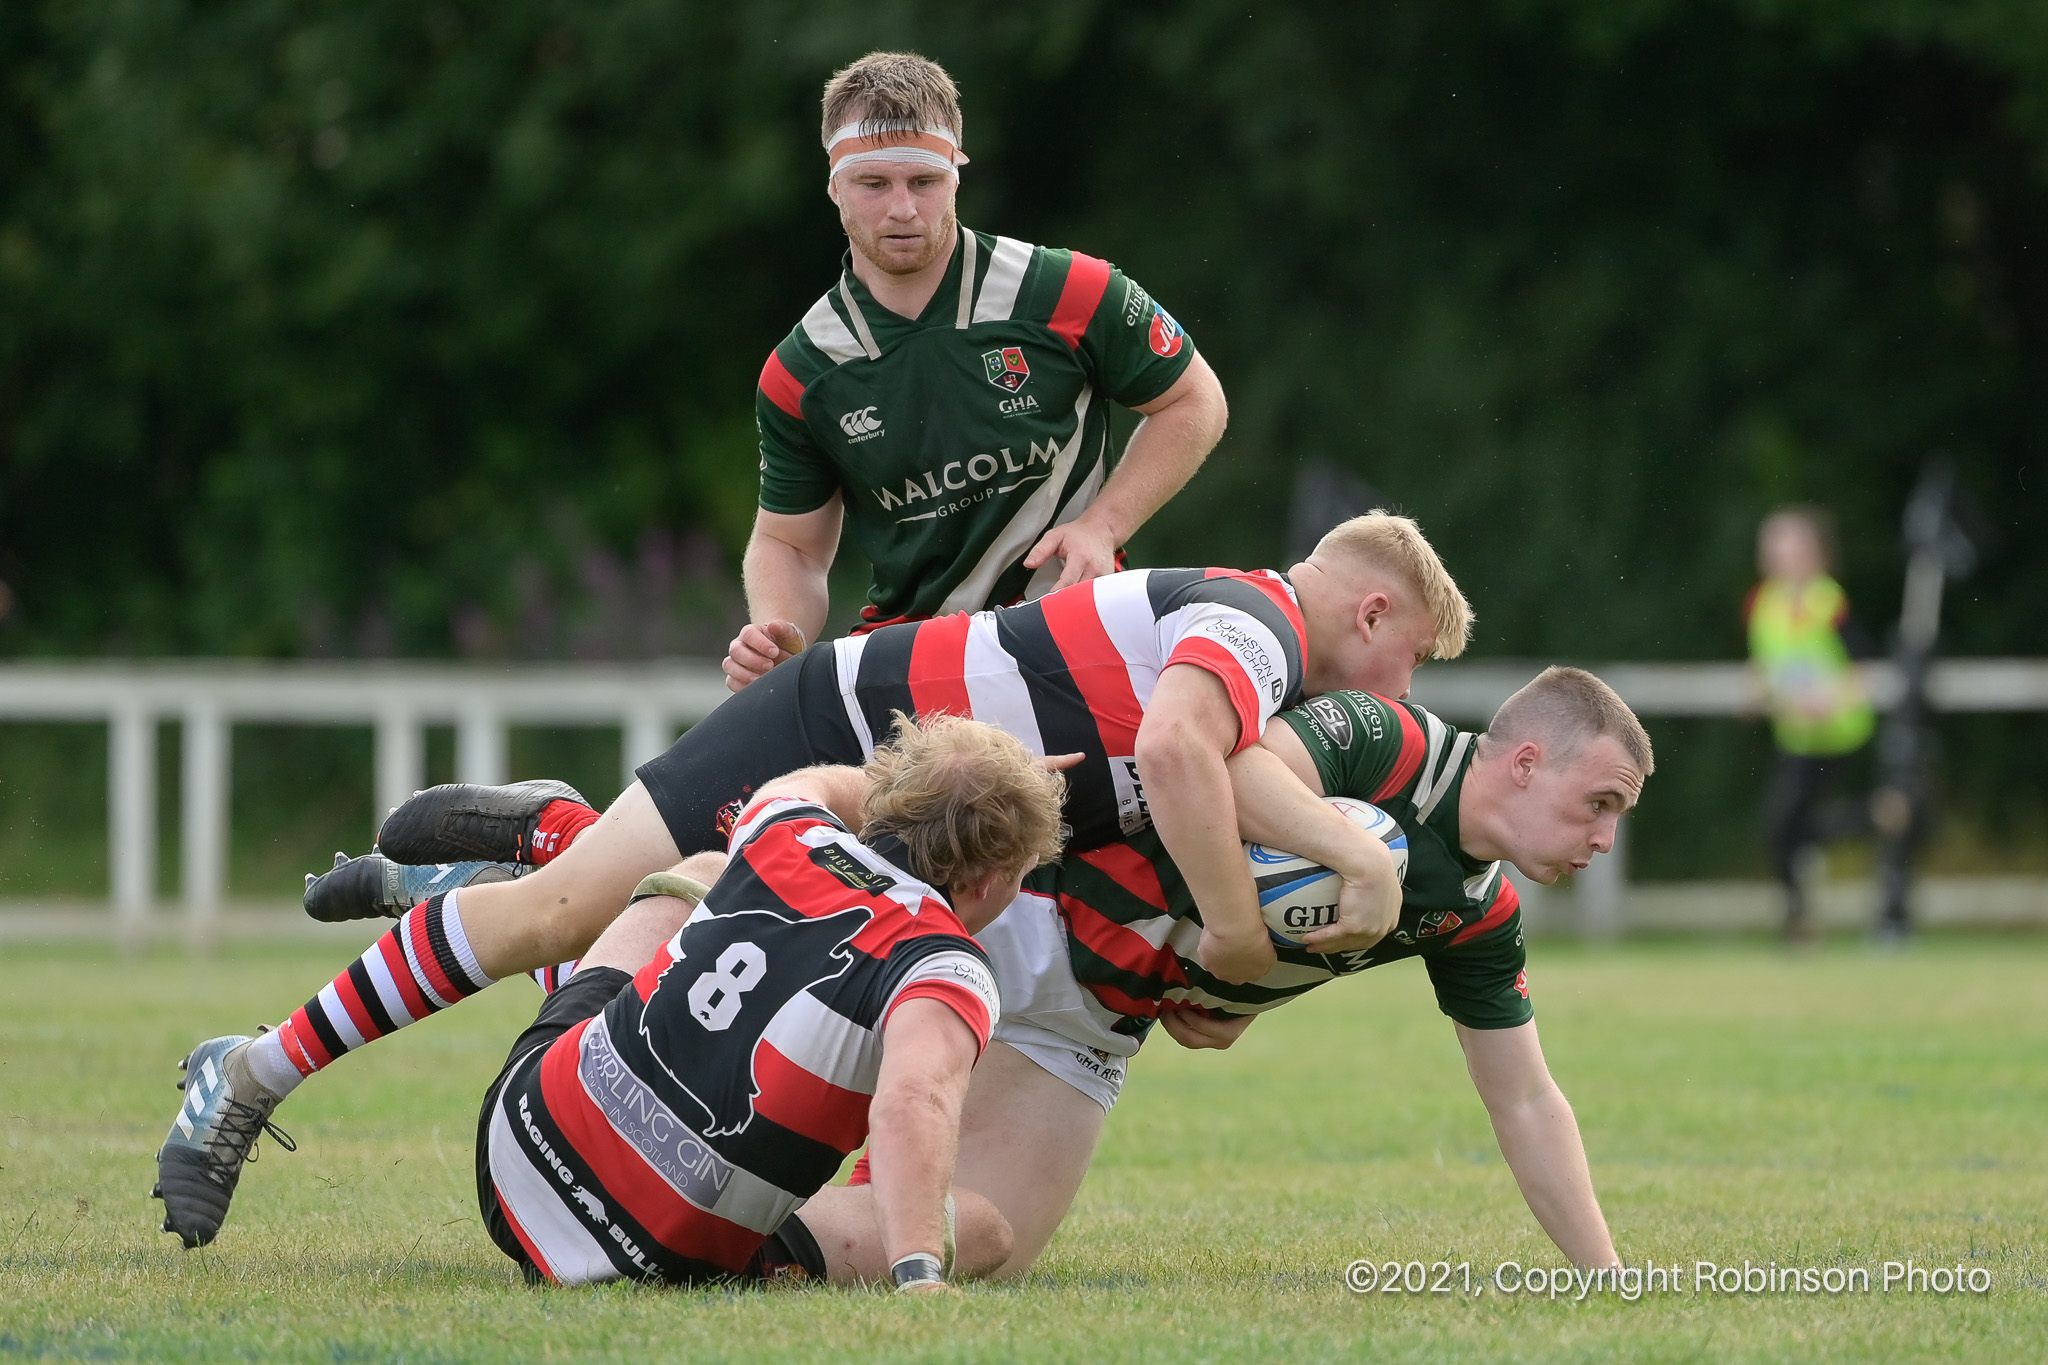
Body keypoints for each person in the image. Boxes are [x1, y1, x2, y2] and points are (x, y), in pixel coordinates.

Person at [178, 511, 1470, 1248]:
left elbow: (1195, 789)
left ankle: (556, 845)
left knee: (726, 996)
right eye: (1410, 665)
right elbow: (1181, 755)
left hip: (909, 815)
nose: (1402, 700)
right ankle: (247, 1076)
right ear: (1372, 616)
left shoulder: (1258, 696)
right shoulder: (1255, 622)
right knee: (555, 917)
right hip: (831, 735)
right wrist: (1249, 928)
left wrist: (1227, 965)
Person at [161, 716, 1067, 1283]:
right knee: (981, 1227)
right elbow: (910, 1106)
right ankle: (544, 860)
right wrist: (917, 1276)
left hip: (515, 1157)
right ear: (991, 880)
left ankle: (269, 1058)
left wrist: (949, 784)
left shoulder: (785, 820)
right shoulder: (947, 965)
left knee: (703, 874)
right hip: (660, 1264)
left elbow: (833, 786)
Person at [934, 665, 1654, 1272]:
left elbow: (1524, 1098)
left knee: (979, 1246)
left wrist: (1607, 1276)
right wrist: (1360, 859)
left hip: (1093, 1028)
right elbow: (1226, 769)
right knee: (873, 1124)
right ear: (1526, 764)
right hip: (1019, 911)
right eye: (1599, 803)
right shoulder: (1389, 741)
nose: (1605, 838)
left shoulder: (1480, 915)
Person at [723, 51, 1228, 691]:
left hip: (1074, 641)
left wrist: (1103, 526)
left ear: (957, 176)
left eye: (924, 181)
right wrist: (777, 633)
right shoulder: (801, 371)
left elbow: (1195, 399)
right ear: (834, 186)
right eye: (874, 183)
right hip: (911, 671)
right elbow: (791, 545)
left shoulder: (1068, 290)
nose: (902, 209)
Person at [1745, 506, 1876, 940]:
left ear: (1814, 552)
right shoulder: (1764, 601)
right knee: (1787, 828)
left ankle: (1798, 923)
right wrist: (1756, 687)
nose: (1775, 553)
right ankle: (1878, 813)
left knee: (1785, 825)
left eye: (1785, 544)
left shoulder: (1827, 601)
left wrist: (1830, 696)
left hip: (1838, 734)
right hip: (1797, 737)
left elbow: (1863, 665)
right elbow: (1770, 659)